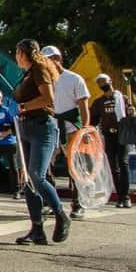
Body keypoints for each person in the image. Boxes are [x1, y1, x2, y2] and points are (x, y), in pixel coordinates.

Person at [13, 39, 71, 246]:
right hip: (26, 127)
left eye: (17, 52)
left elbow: (48, 97)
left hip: (42, 126)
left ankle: (61, 214)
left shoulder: (39, 69)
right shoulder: (27, 73)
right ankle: (37, 229)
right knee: (29, 180)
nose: (16, 56)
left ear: (23, 53)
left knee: (37, 175)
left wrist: (25, 106)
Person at [42, 45, 91, 217]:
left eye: (49, 59)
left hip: (71, 128)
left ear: (58, 59)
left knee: (75, 166)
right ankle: (50, 202)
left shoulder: (74, 79)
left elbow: (83, 106)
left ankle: (78, 203)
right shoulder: (44, 81)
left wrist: (85, 130)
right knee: (46, 165)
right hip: (51, 127)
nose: (46, 63)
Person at [89, 73, 132, 208]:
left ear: (110, 81)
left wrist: (131, 112)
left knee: (123, 163)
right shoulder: (98, 102)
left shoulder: (122, 98)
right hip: (109, 135)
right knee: (114, 166)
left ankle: (126, 197)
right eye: (99, 83)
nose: (102, 84)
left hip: (122, 134)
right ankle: (120, 197)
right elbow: (92, 120)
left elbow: (130, 115)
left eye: (103, 81)